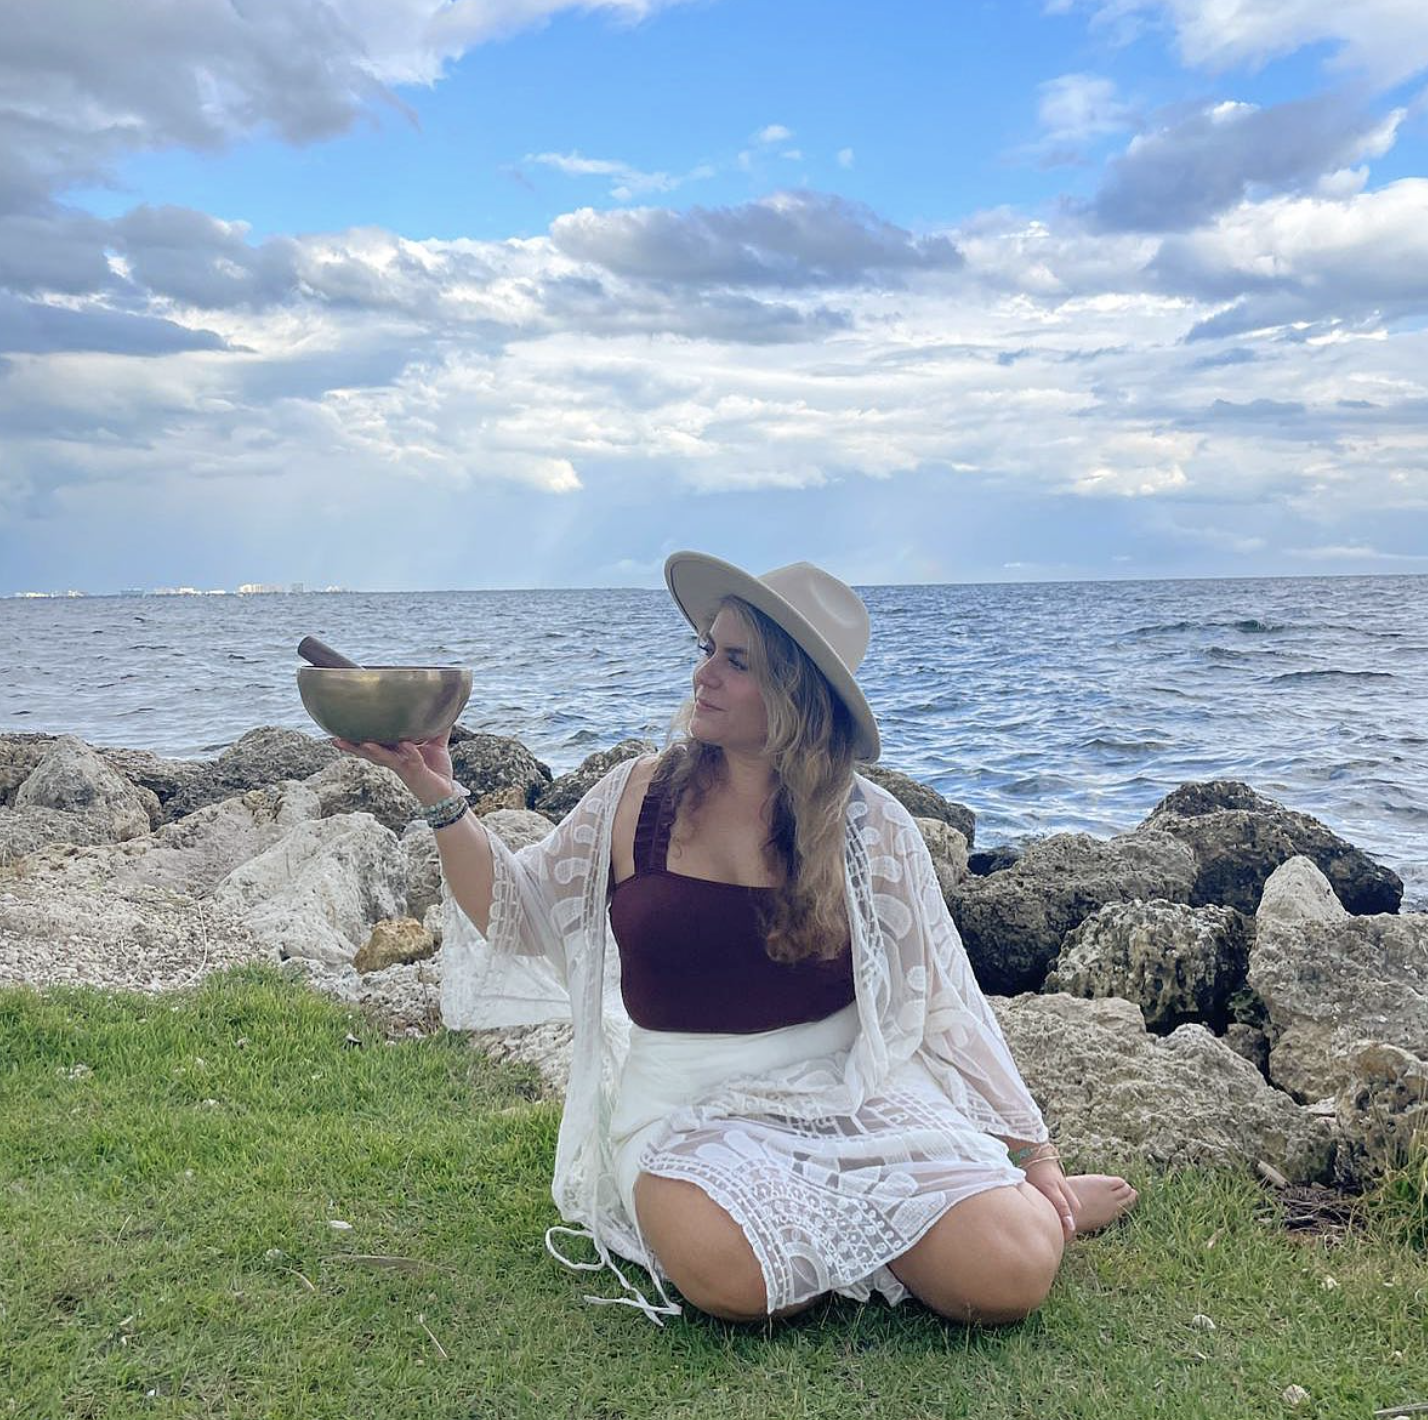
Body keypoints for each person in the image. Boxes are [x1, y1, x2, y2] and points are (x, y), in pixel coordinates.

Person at [334, 552, 1137, 1326]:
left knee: (1011, 1275)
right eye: (706, 650)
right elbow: (520, 915)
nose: (703, 675)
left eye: (737, 662)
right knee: (737, 1282)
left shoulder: (869, 827)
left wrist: (1034, 1155)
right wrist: (434, 789)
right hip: (686, 1109)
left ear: (798, 693)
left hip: (848, 1089)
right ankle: (892, 1232)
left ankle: (1006, 1209)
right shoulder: (637, 796)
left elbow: (946, 1000)